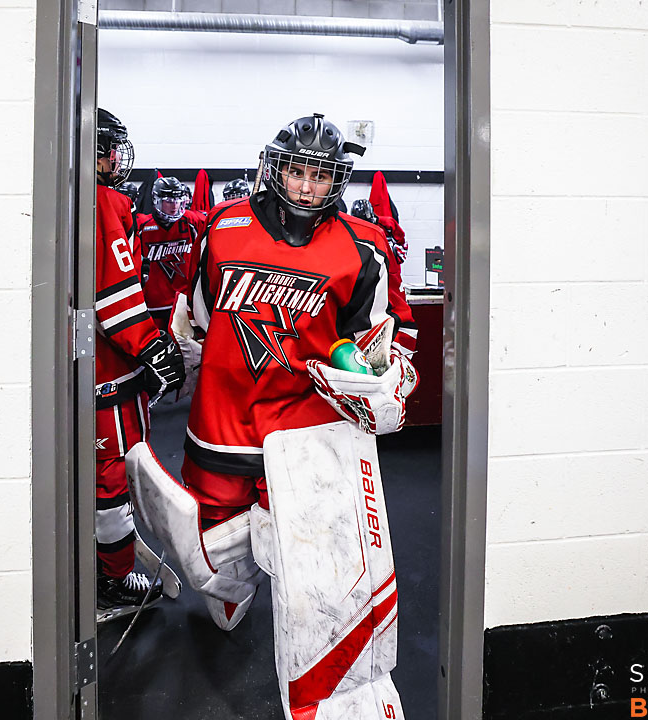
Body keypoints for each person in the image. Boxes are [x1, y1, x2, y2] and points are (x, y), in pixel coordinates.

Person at [128, 113, 419, 718]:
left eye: (320, 175)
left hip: (308, 430)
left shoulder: (362, 248)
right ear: (275, 167)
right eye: (297, 170)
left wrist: (390, 380)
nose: (307, 187)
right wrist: (172, 362)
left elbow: (382, 342)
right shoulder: (222, 226)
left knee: (313, 563)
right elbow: (196, 319)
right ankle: (234, 570)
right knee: (220, 575)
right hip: (222, 421)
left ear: (337, 180)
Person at [93, 108, 185, 618]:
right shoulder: (104, 200)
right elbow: (117, 296)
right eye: (105, 146)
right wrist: (153, 346)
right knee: (114, 475)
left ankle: (105, 560)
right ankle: (113, 577)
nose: (112, 156)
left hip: (89, 365)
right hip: (109, 373)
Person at [136, 177, 207, 333]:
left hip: (184, 303)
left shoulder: (192, 221)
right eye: (168, 201)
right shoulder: (141, 226)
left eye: (177, 200)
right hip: (152, 305)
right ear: (156, 200)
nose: (174, 206)